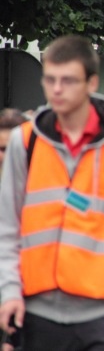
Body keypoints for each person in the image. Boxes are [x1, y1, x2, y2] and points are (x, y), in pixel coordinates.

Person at [0, 35, 104, 350]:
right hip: (38, 311)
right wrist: (9, 291)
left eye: (68, 80)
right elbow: (7, 227)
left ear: (91, 83)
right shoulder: (25, 142)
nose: (57, 89)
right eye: (50, 79)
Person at [0, 110, 26, 351]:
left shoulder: (38, 196)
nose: (6, 157)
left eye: (12, 150)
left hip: (19, 304)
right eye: (2, 149)